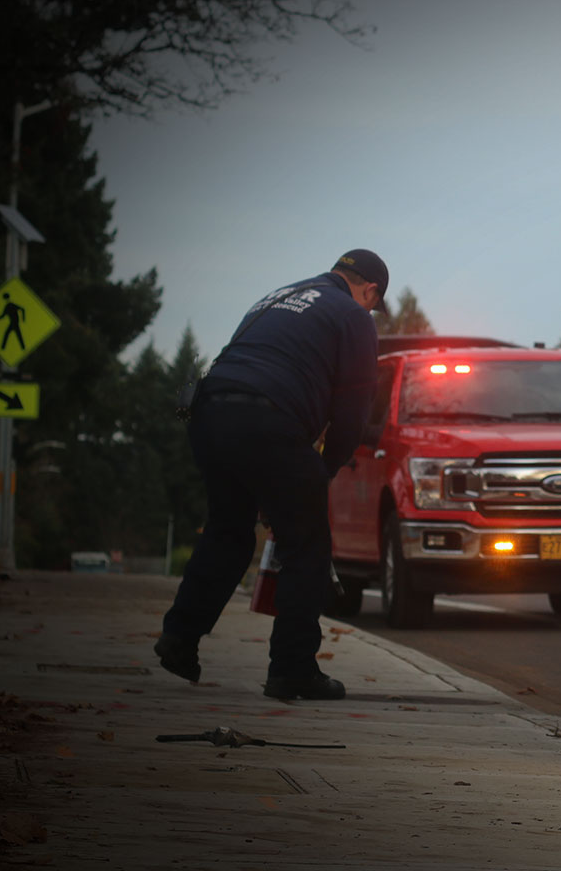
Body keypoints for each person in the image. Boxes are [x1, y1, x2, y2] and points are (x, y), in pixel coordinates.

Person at [155, 249, 387, 700]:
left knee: (227, 530)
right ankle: (292, 668)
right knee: (307, 543)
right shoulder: (355, 316)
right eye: (375, 304)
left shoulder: (276, 297)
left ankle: (179, 638)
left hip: (210, 414)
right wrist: (322, 470)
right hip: (269, 419)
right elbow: (353, 411)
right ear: (371, 290)